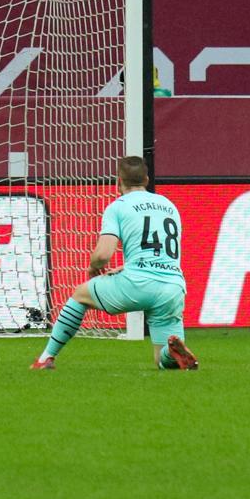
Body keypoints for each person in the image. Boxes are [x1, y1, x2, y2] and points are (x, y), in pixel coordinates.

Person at [32, 156, 198, 372]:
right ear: (146, 179)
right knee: (161, 360)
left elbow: (103, 255)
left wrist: (93, 267)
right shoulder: (169, 206)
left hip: (137, 284)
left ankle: (46, 358)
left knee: (80, 295)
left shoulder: (118, 207)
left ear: (119, 181)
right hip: (172, 287)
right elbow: (160, 252)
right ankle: (173, 351)